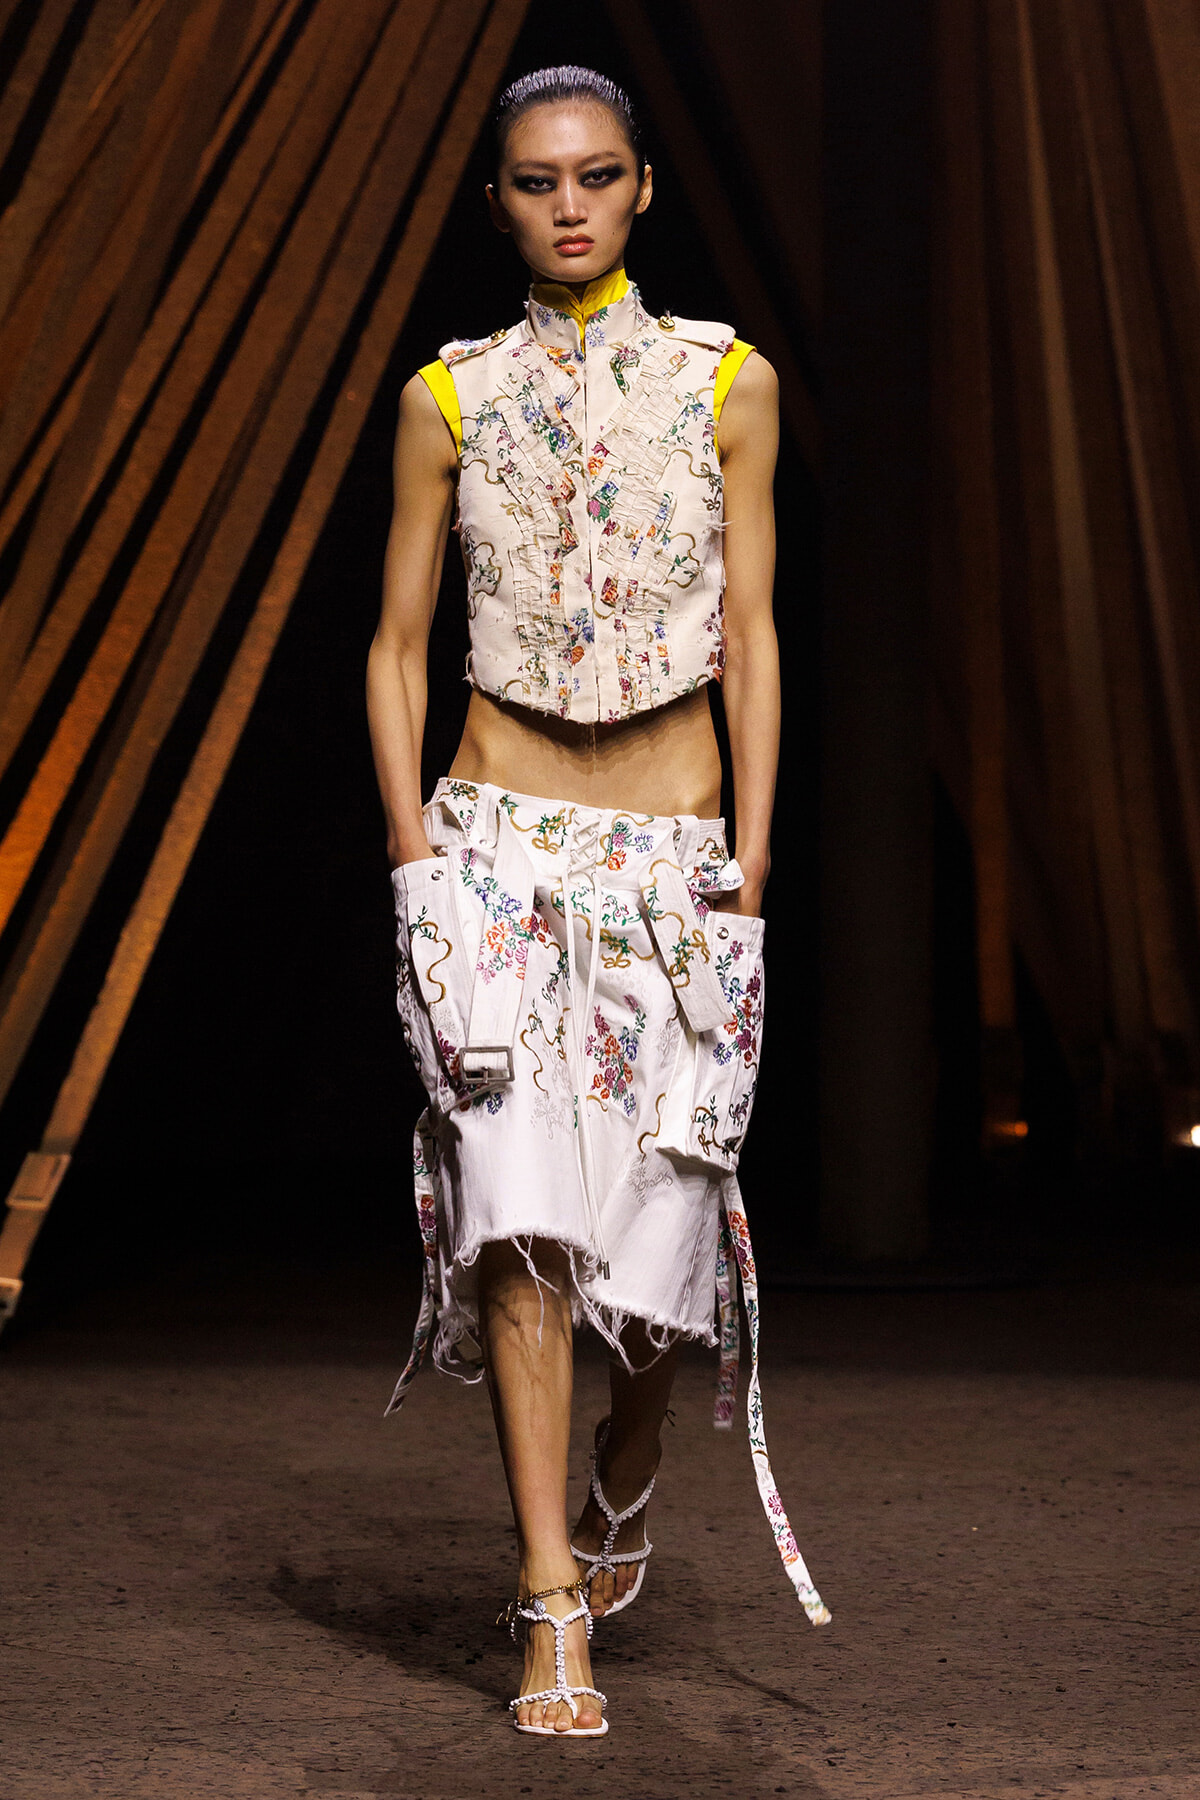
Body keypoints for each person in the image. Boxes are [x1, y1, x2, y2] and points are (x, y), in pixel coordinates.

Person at [366, 64, 829, 1740]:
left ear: (641, 189)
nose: (569, 204)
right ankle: (548, 1596)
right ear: (495, 203)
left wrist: (754, 849)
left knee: (661, 1234)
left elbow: (752, 631)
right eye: (537, 181)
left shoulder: (727, 382)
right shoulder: (447, 397)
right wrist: (413, 853)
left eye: (598, 176)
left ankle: (630, 1463)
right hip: (494, 846)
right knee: (516, 1217)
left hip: (673, 859)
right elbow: (396, 643)